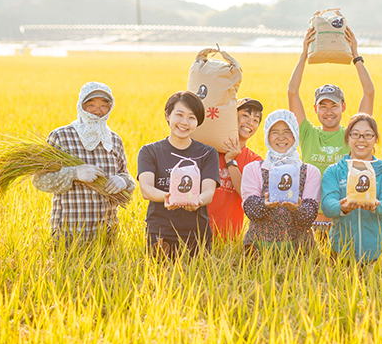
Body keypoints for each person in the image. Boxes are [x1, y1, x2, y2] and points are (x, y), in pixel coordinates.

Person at [287, 26, 375, 234]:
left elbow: (369, 92)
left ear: (343, 107)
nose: (329, 111)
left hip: (344, 220)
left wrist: (356, 56)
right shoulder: (307, 134)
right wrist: (303, 55)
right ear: (315, 109)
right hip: (310, 219)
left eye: (334, 105)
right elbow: (292, 92)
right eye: (323, 106)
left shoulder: (353, 135)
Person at [32, 81, 135, 244]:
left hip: (106, 234)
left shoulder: (114, 140)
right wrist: (74, 173)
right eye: (91, 104)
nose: (98, 111)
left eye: (104, 105)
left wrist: (123, 181)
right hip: (68, 234)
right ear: (81, 105)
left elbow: (127, 175)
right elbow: (40, 180)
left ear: (110, 107)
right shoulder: (61, 137)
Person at [137, 91, 220, 258]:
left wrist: (198, 200)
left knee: (197, 281)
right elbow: (146, 189)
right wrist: (169, 197)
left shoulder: (208, 153)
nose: (184, 122)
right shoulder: (150, 151)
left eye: (191, 117)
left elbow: (209, 192)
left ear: (197, 122)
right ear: (167, 115)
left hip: (197, 233)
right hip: (160, 233)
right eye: (179, 115)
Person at [321, 114, 382, 262]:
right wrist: (342, 207)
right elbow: (327, 206)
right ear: (347, 138)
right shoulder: (334, 171)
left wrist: (376, 206)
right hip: (341, 255)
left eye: (368, 135)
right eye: (355, 134)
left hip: (381, 255)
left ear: (376, 139)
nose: (361, 139)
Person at [240, 110, 321, 253]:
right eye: (275, 132)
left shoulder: (310, 171)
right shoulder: (253, 169)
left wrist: (297, 208)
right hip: (259, 249)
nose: (281, 137)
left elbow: (310, 214)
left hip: (300, 250)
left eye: (287, 132)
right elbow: (250, 208)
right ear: (267, 136)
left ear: (295, 134)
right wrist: (264, 204)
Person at [208, 97, 264, 240]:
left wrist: (230, 161)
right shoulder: (210, 149)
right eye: (245, 115)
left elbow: (246, 193)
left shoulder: (255, 161)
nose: (250, 123)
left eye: (256, 120)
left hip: (229, 238)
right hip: (196, 232)